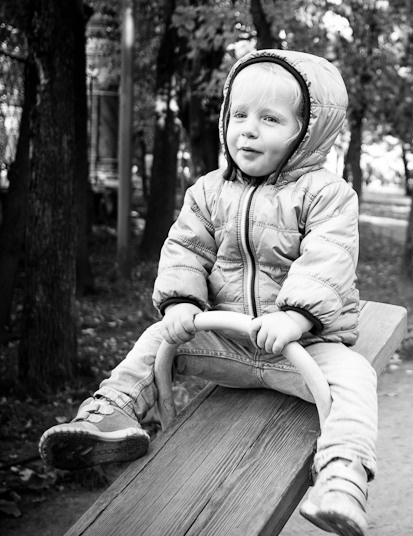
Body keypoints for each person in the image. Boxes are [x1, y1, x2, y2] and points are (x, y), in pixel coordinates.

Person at [39, 49, 375, 536]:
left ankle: (342, 475)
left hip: (302, 348)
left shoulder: (327, 195)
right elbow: (185, 250)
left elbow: (329, 258)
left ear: (308, 131)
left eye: (270, 119)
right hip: (227, 341)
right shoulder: (208, 191)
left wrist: (295, 317)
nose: (249, 130)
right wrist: (182, 302)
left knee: (355, 378)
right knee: (157, 339)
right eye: (239, 115)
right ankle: (110, 416)